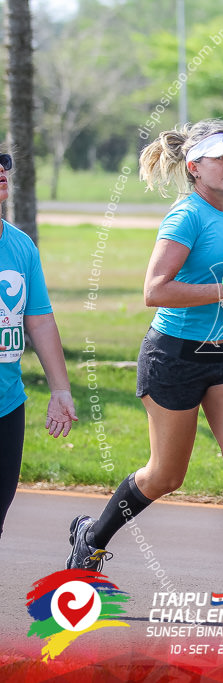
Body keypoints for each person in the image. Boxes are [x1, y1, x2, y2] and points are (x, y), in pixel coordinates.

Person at [64, 120, 223, 627]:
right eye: (221, 156)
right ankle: (92, 537)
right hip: (175, 355)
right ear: (194, 165)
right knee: (166, 475)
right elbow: (156, 290)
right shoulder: (185, 216)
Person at [0, 151, 78, 538]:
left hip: (7, 401)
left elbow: (40, 320)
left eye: (3, 161)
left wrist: (60, 390)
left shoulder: (20, 246)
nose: (1, 169)